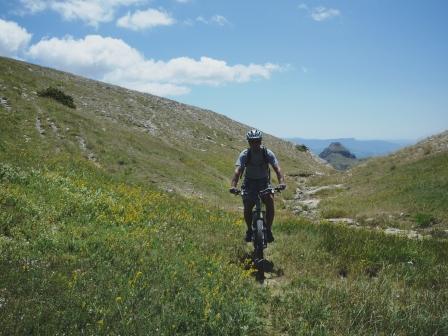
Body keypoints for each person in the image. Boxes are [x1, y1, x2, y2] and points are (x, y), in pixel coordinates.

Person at [229, 129, 286, 242]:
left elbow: (277, 169)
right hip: (249, 183)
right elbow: (237, 171)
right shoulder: (245, 154)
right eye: (252, 141)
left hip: (263, 182)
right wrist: (233, 186)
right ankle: (249, 230)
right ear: (249, 142)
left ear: (260, 141)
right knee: (248, 206)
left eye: (257, 141)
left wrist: (282, 182)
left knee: (270, 201)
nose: (255, 144)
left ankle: (268, 230)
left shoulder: (267, 153)